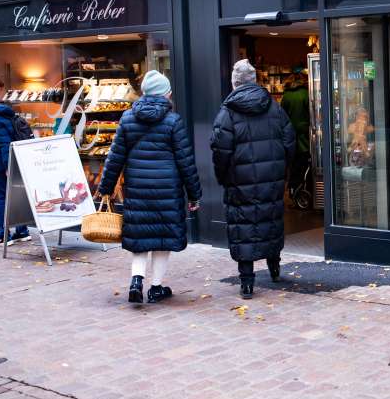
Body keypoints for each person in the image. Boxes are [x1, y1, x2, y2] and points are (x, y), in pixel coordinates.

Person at [96, 71, 202, 304]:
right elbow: (185, 161)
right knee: (162, 239)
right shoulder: (173, 120)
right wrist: (194, 195)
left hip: (138, 188)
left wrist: (105, 187)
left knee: (141, 236)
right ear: (167, 94)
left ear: (143, 93)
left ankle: (136, 281)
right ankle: (155, 288)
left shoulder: (127, 118)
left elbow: (115, 157)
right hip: (167, 189)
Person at [211, 59, 295, 299]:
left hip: (240, 180)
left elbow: (220, 150)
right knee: (270, 220)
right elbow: (289, 141)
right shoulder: (274, 107)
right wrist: (282, 170)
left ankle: (247, 281)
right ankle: (275, 268)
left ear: (235, 83)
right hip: (272, 178)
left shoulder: (227, 112)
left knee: (244, 227)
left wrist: (224, 177)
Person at [0, 94, 30, 247]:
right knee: (18, 195)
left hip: (2, 165)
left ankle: (4, 235)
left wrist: (8, 166)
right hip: (16, 160)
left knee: (1, 198)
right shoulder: (8, 114)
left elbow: (4, 144)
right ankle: (22, 231)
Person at [280, 67, 311, 198]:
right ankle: (304, 189)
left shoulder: (286, 95)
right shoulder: (306, 93)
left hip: (290, 135)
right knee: (305, 164)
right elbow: (311, 114)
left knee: (293, 165)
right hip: (305, 135)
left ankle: (293, 190)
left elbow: (282, 116)